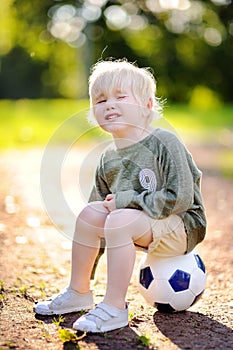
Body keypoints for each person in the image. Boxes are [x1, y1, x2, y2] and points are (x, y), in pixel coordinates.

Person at [34, 59, 206, 333]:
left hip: (183, 225)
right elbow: (100, 214)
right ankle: (78, 291)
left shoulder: (164, 142)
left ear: (147, 106)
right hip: (140, 226)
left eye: (120, 96)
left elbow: (182, 197)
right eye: (100, 100)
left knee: (120, 219)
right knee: (91, 214)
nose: (109, 104)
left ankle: (115, 307)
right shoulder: (107, 158)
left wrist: (127, 200)